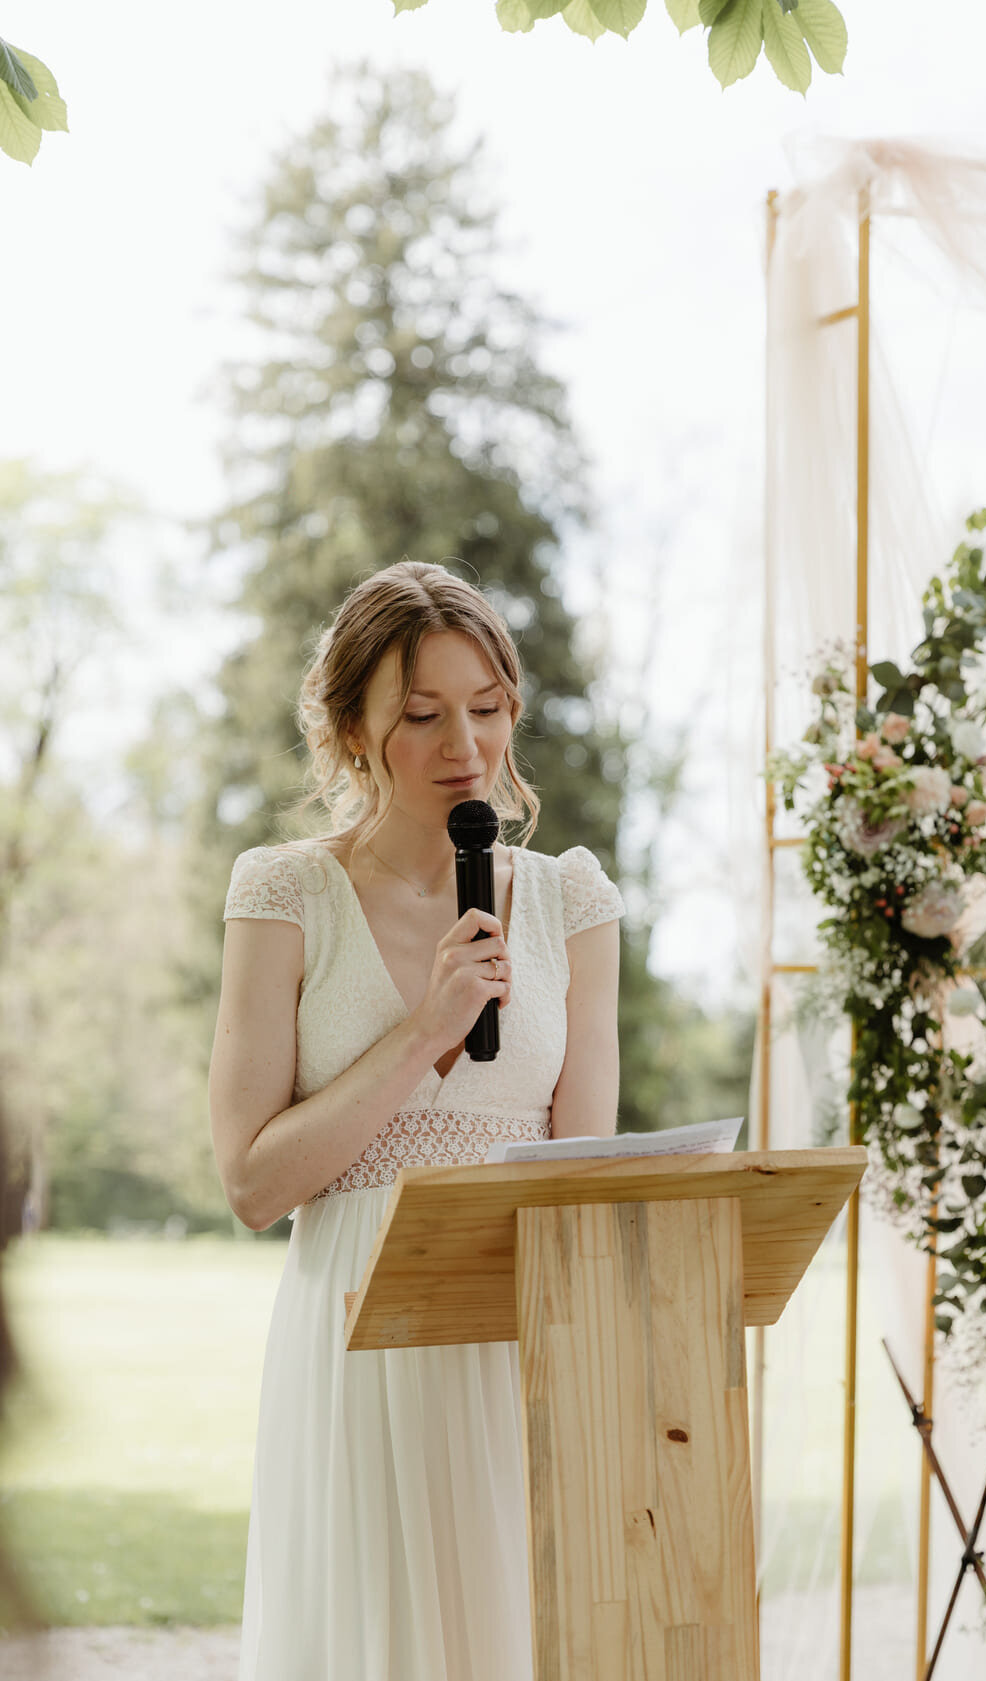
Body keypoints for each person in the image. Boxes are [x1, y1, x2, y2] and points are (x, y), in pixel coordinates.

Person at [209, 560, 624, 1681]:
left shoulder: (572, 903)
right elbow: (251, 1184)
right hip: (355, 1338)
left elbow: (585, 1172)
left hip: (519, 1337)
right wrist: (422, 1031)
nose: (465, 748)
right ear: (351, 731)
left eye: (486, 710)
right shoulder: (283, 893)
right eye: (423, 716)